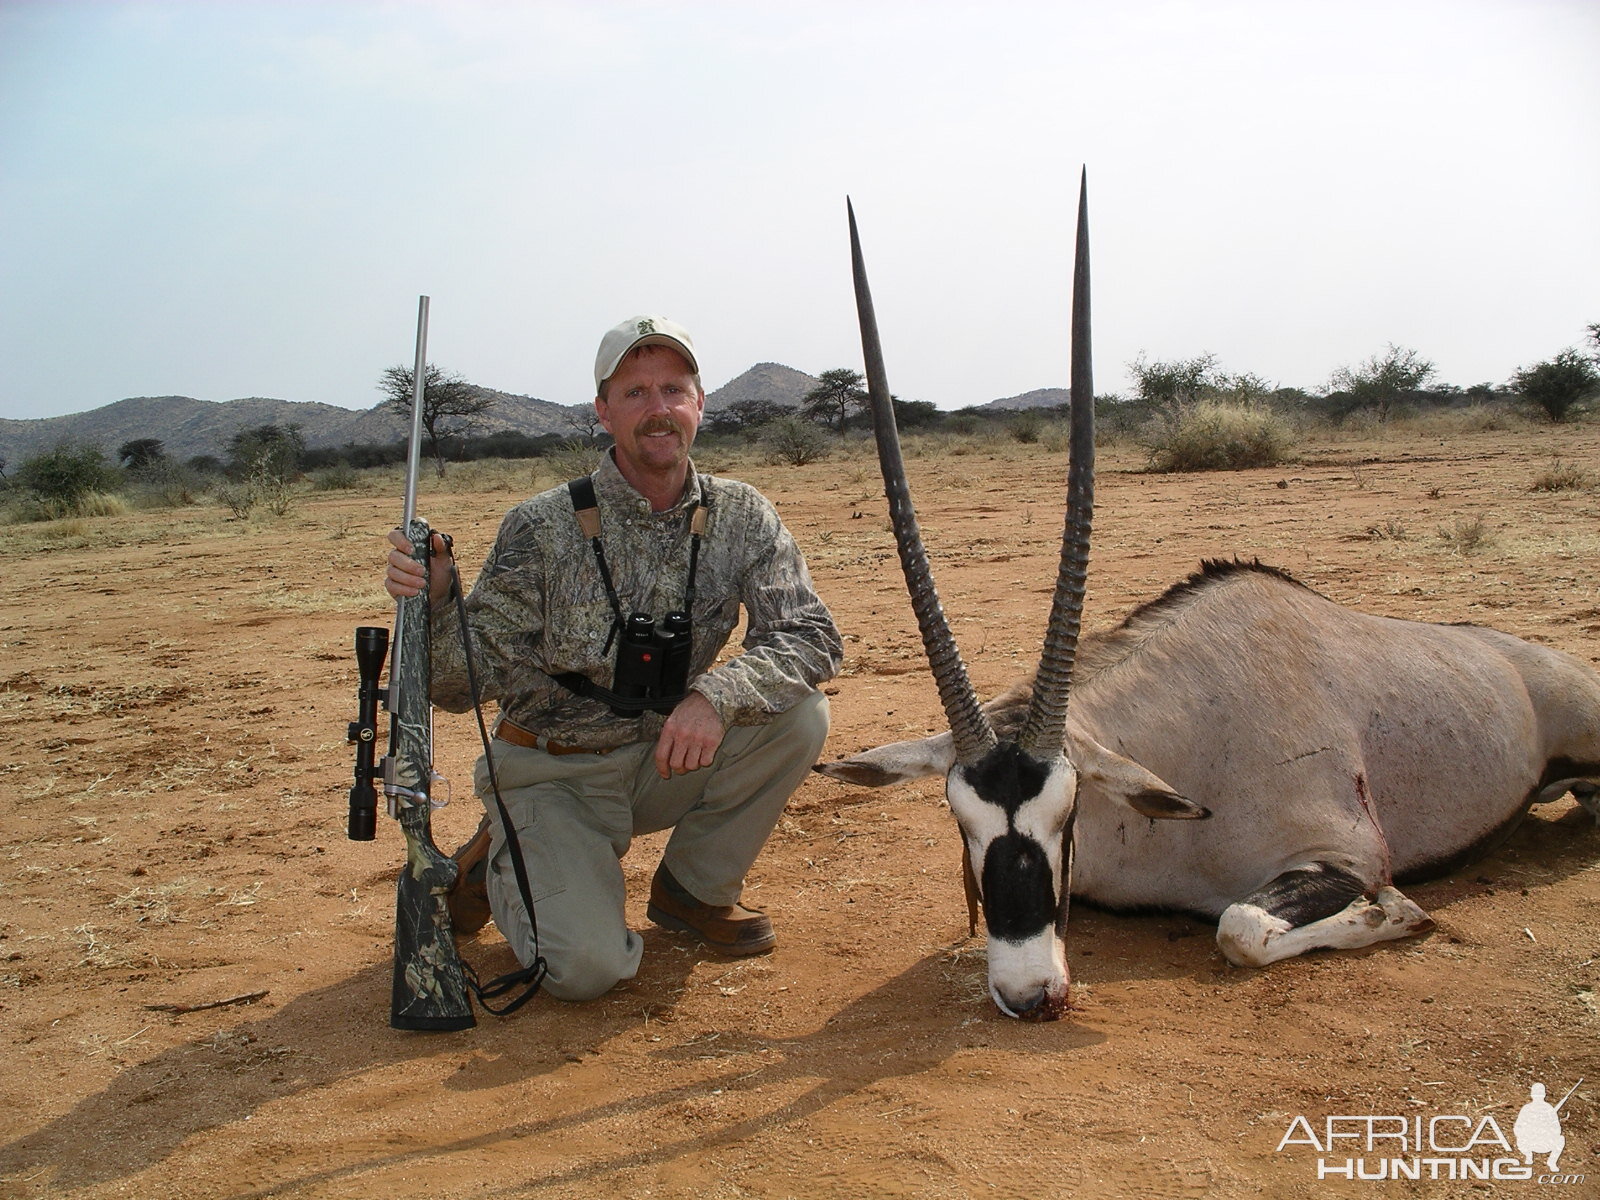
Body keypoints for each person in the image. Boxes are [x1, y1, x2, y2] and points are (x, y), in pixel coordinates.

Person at [384, 315, 842, 1002]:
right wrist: (438, 603)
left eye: (673, 389)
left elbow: (810, 636)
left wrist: (716, 696)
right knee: (587, 971)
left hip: (664, 757)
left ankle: (693, 890)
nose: (658, 410)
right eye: (635, 393)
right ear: (603, 411)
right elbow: (455, 687)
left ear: (700, 403)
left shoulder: (742, 513)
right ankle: (492, 865)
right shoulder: (540, 527)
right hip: (553, 771)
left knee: (801, 715)